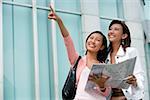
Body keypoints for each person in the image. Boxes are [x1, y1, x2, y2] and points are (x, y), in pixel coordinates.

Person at [48, 6, 111, 100]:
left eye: (97, 40)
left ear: (102, 47)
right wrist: (59, 22)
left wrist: (102, 86)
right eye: (91, 38)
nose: (93, 41)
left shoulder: (104, 67)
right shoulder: (78, 61)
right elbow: (68, 41)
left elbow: (107, 93)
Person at [106, 20, 144, 100]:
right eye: (110, 29)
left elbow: (139, 74)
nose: (111, 32)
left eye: (116, 29)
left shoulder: (131, 51)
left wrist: (135, 81)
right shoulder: (105, 55)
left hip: (129, 97)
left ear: (124, 36)